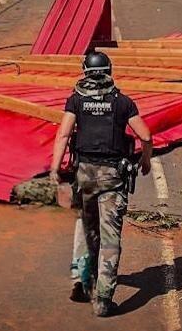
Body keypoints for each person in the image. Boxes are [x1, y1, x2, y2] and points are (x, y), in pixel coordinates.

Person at [49, 51, 153, 317]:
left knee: (86, 228)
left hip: (84, 176)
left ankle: (82, 282)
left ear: (85, 71)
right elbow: (145, 135)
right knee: (110, 239)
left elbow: (63, 135)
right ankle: (104, 300)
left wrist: (54, 169)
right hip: (112, 178)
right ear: (110, 71)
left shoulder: (76, 100)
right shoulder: (122, 102)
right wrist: (145, 161)